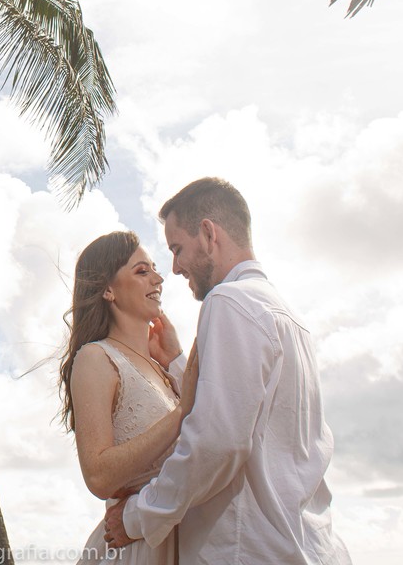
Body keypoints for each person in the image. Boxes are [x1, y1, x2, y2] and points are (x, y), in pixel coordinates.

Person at [103, 178, 352, 565]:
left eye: (177, 248)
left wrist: (136, 516)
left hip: (248, 551)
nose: (174, 267)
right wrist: (177, 363)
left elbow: (217, 443)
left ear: (207, 233)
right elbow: (250, 413)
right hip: (310, 547)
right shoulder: (287, 316)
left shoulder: (228, 301)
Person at [59, 230, 186, 565]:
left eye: (154, 270)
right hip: (136, 550)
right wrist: (180, 414)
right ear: (108, 289)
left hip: (180, 541)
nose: (159, 278)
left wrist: (174, 359)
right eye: (142, 271)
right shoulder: (96, 358)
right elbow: (99, 476)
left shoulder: (162, 370)